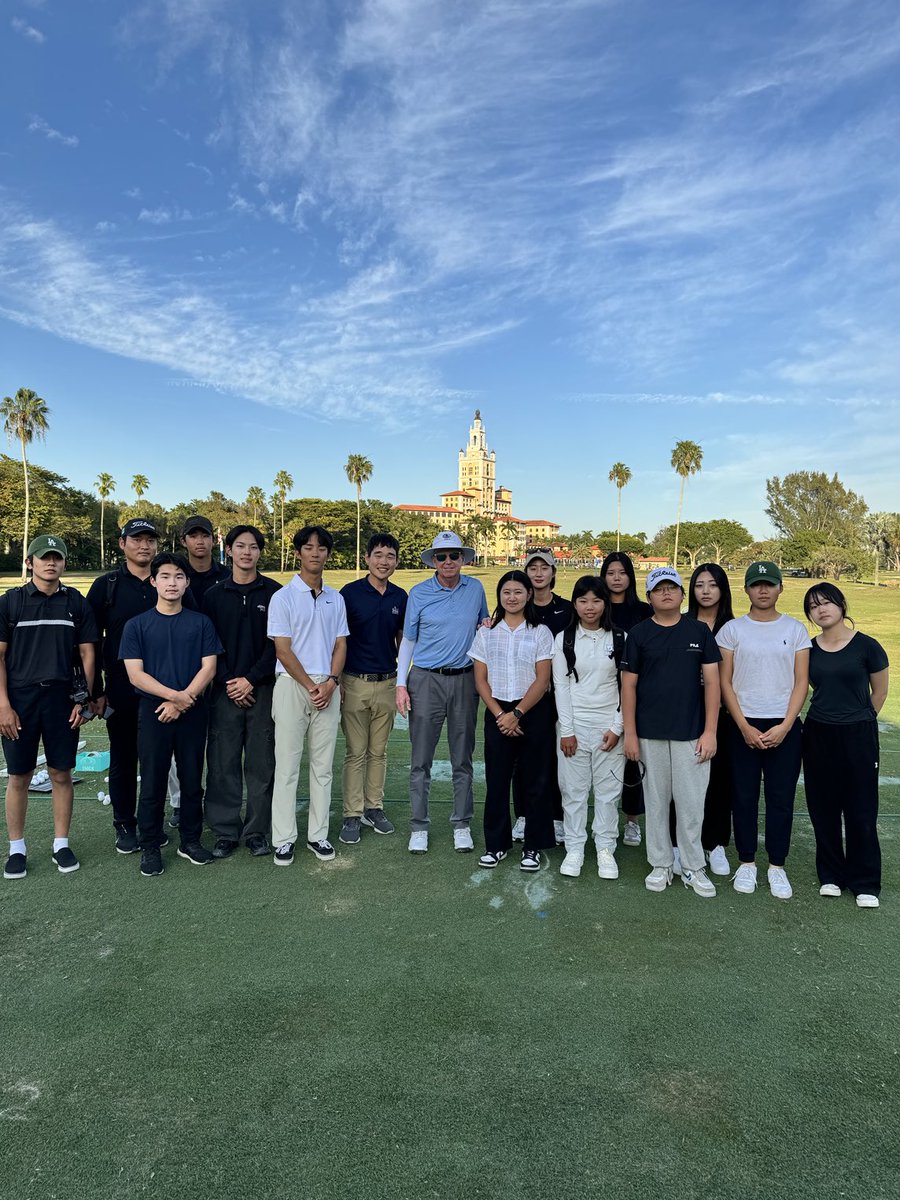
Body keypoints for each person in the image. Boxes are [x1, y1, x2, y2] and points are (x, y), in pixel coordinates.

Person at [87, 517, 193, 855]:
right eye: (136, 539)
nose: (144, 545)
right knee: (123, 757)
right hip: (121, 687)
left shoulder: (167, 581)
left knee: (157, 759)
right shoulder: (108, 586)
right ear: (122, 544)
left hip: (165, 692)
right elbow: (90, 642)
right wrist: (96, 691)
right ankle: (124, 823)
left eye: (150, 540)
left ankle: (153, 823)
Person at [621, 567, 721, 898]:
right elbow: (629, 687)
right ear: (649, 597)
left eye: (672, 588)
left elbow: (713, 686)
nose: (666, 593)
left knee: (692, 804)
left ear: (681, 594)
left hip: (691, 733)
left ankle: (692, 866)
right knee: (657, 801)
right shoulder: (638, 634)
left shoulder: (700, 631)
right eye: (659, 589)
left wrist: (710, 731)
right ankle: (661, 863)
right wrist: (631, 734)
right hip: (649, 734)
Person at [1, 535, 97, 879]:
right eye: (44, 558)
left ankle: (61, 843)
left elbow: (87, 653)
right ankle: (17, 848)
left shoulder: (76, 603)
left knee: (60, 773)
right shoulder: (9, 603)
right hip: (20, 700)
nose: (50, 563)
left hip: (61, 699)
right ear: (30, 562)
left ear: (64, 564)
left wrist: (82, 698)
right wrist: (3, 706)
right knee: (19, 776)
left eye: (56, 558)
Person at [120, 552, 221, 877]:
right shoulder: (137, 625)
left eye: (179, 577)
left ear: (187, 582)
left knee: (192, 780)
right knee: (153, 781)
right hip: (154, 711)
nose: (172, 582)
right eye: (165, 576)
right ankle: (150, 844)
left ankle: (190, 840)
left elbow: (209, 667)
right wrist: (173, 697)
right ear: (154, 581)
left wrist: (184, 699)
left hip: (192, 710)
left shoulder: (200, 622)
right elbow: (136, 675)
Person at [717, 561, 811, 900]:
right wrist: (742, 725)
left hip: (783, 725)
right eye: (756, 585)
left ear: (780, 588)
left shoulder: (796, 629)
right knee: (742, 797)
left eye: (769, 584)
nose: (763, 590)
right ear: (746, 590)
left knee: (780, 798)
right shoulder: (731, 630)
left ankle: (777, 866)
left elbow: (802, 682)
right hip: (742, 724)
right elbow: (724, 682)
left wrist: (786, 725)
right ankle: (746, 862)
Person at [396, 530, 489, 854]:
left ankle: (461, 823)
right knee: (420, 759)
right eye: (441, 556)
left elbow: (483, 626)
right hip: (425, 680)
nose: (448, 561)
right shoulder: (418, 593)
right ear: (433, 561)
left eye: (454, 555)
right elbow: (408, 641)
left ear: (463, 559)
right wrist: (400, 684)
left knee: (461, 758)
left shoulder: (475, 589)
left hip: (464, 681)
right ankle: (419, 826)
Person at [802, 582, 889, 909]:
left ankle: (865, 881)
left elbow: (878, 692)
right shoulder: (809, 649)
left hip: (858, 735)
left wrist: (859, 719)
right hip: (819, 734)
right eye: (814, 606)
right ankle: (831, 876)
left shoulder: (867, 646)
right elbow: (814, 686)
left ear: (841, 606)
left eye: (827, 603)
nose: (821, 609)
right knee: (822, 808)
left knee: (861, 809)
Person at [267, 525, 348, 866]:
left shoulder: (336, 597)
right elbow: (283, 650)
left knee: (322, 767)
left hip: (328, 686)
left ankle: (318, 835)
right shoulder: (283, 597)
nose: (316, 553)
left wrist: (330, 681)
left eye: (322, 548)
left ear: (328, 554)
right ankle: (284, 839)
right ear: (299, 552)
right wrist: (311, 685)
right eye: (309, 547)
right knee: (286, 766)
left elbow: (340, 643)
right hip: (292, 685)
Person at [202, 525, 282, 859]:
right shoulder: (213, 595)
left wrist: (250, 679)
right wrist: (230, 682)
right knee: (222, 762)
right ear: (230, 551)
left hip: (263, 690)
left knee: (262, 764)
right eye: (240, 546)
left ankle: (257, 831)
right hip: (223, 692)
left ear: (260, 552)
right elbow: (208, 644)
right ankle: (225, 830)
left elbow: (277, 644)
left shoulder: (275, 594)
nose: (247, 552)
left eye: (253, 547)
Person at [469, 571, 555, 871]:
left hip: (532, 711)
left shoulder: (540, 632)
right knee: (496, 781)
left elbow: (543, 679)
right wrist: (500, 715)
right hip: (497, 711)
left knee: (536, 781)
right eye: (507, 591)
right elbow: (480, 680)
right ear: (500, 595)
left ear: (528, 595)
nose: (512, 597)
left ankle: (532, 845)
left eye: (519, 591)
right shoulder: (486, 632)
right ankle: (496, 845)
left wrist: (517, 713)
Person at [552, 576, 626, 880]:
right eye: (583, 601)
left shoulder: (621, 638)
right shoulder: (564, 639)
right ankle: (575, 847)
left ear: (605, 603)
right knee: (573, 791)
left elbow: (627, 687)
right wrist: (567, 730)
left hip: (609, 727)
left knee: (608, 792)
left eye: (596, 600)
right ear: (575, 604)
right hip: (574, 726)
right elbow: (561, 685)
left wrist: (617, 727)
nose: (589, 607)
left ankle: (605, 848)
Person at [338, 533, 407, 846]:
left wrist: (401, 680)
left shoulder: (399, 597)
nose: (384, 561)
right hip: (353, 682)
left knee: (378, 752)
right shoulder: (349, 594)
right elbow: (338, 641)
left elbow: (402, 640)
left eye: (390, 556)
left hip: (387, 683)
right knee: (356, 752)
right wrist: (336, 680)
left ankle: (373, 807)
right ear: (367, 558)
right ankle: (352, 813)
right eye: (378, 554)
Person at [510, 549, 572, 845]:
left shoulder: (567, 609)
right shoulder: (518, 605)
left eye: (543, 568)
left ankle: (557, 817)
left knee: (555, 757)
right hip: (524, 696)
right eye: (532, 568)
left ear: (552, 572)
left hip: (559, 695)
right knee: (522, 758)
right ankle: (523, 815)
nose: (538, 573)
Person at [683, 563, 736, 877]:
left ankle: (715, 843)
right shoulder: (681, 622)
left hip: (725, 714)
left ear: (722, 589)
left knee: (719, 780)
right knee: (684, 781)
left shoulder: (734, 626)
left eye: (712, 585)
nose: (705, 591)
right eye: (699, 584)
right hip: (686, 713)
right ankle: (681, 843)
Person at [599, 551, 652, 847]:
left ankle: (632, 820)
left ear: (630, 576)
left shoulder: (643, 611)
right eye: (610, 573)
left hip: (636, 692)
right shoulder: (596, 607)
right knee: (600, 753)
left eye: (622, 572)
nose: (616, 578)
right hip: (600, 692)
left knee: (632, 757)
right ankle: (598, 819)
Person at [181, 514, 230, 607]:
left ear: (213, 540)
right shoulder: (177, 576)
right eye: (193, 536)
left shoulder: (228, 576)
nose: (200, 541)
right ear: (183, 541)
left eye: (205, 536)